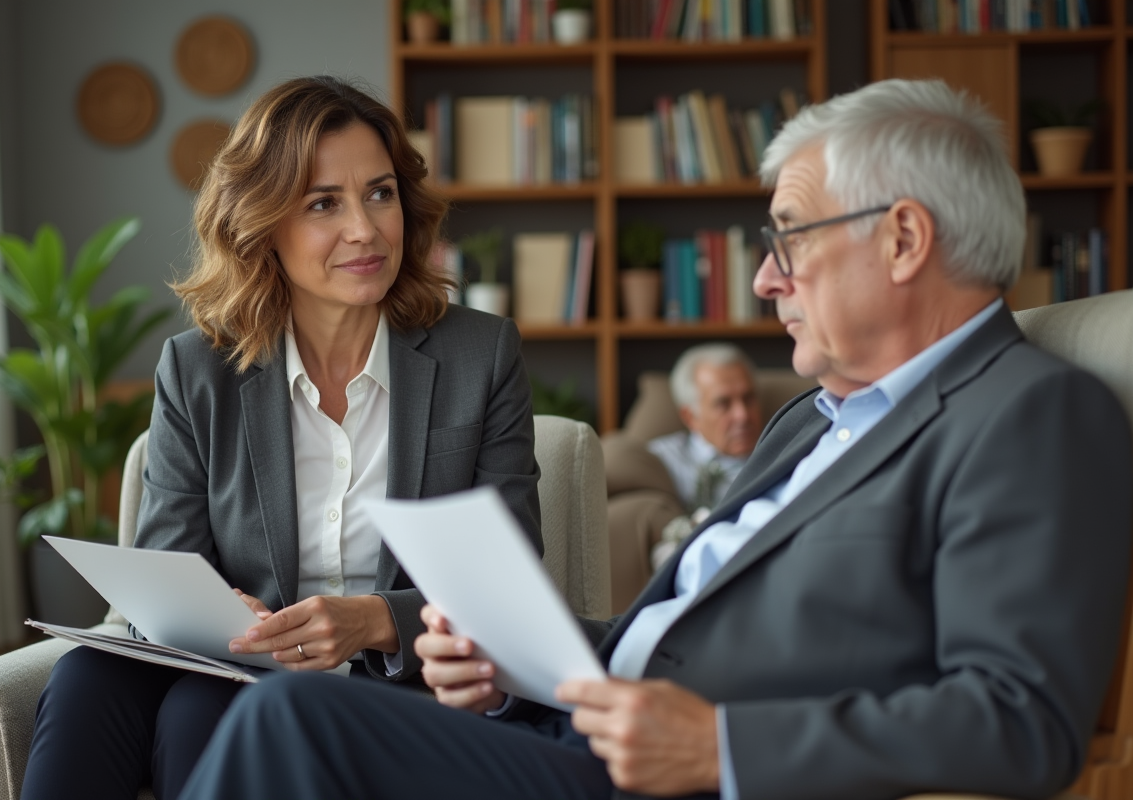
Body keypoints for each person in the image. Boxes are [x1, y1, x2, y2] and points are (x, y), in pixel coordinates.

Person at [179, 79, 1132, 800]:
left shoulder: (1030, 414)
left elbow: (1024, 721)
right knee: (244, 709)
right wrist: (513, 666)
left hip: (669, 779)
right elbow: (662, 644)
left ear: (903, 240)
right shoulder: (811, 420)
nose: (765, 280)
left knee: (289, 720)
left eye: (790, 236)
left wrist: (719, 747)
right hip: (578, 733)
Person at [20, 76, 542, 800]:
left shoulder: (479, 357)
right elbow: (168, 559)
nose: (365, 228)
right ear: (262, 223)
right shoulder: (199, 368)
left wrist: (371, 622)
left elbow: (505, 581)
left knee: (207, 711)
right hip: (242, 661)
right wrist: (231, 614)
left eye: (381, 193)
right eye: (324, 202)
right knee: (92, 675)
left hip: (397, 685)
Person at [647, 343, 763, 515]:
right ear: (690, 417)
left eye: (748, 398)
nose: (742, 415)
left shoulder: (787, 451)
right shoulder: (663, 461)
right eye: (723, 403)